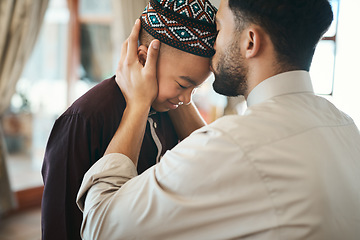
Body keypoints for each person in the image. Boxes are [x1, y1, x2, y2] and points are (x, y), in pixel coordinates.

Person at [77, 0, 360, 239]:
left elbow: (101, 225)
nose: (211, 47)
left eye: (220, 29)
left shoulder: (234, 143)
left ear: (250, 42)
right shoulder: (346, 128)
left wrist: (138, 104)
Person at [41, 0, 218, 239]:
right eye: (183, 85)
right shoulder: (84, 119)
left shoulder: (170, 111)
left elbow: (210, 168)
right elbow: (60, 225)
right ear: (144, 59)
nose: (187, 99)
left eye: (195, 89)